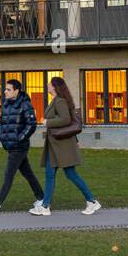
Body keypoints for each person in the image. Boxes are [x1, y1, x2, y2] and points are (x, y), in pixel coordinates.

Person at [30, 76, 101, 216]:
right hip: (55, 145)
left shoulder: (60, 101)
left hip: (62, 145)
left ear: (55, 87)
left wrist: (47, 122)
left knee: (71, 173)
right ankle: (45, 206)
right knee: (50, 174)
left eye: (49, 84)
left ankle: (92, 201)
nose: (47, 85)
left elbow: (65, 119)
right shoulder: (56, 100)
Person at [0, 79, 44, 214]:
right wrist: (1, 136)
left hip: (19, 146)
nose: (5, 92)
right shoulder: (5, 104)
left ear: (16, 91)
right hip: (10, 145)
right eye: (5, 89)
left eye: (8, 89)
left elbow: (31, 124)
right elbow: (1, 122)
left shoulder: (25, 105)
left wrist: (19, 138)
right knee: (28, 173)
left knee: (8, 174)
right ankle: (42, 198)